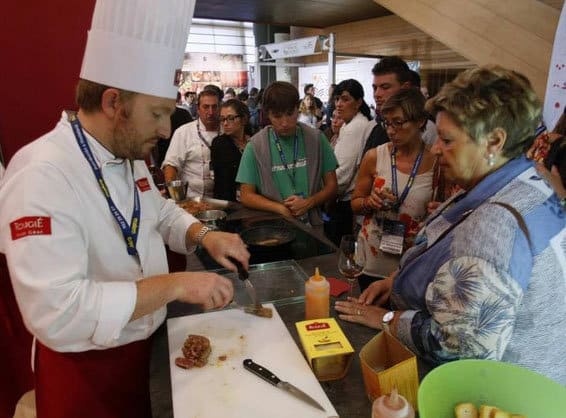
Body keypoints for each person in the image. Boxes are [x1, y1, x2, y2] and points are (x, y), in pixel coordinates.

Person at [0, 1, 250, 417]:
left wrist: (204, 234)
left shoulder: (129, 155)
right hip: (87, 376)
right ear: (114, 103)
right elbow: (59, 311)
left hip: (144, 355)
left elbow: (159, 211)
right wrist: (175, 285)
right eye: (157, 113)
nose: (166, 129)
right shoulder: (40, 174)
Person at [336, 65, 566, 385]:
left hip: (505, 389)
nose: (435, 148)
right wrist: (398, 279)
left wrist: (388, 318)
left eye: (446, 139)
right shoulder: (534, 179)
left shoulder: (495, 225)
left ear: (494, 142)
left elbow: (458, 345)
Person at [351, 88, 436, 291]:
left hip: (410, 264)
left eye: (398, 123)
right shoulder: (374, 156)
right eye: (387, 123)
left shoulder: (437, 163)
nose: (390, 131)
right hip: (370, 259)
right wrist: (368, 202)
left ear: (420, 121)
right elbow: (355, 203)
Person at [236, 81, 338, 226]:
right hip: (271, 227)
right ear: (267, 115)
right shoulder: (255, 146)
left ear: (298, 108)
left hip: (311, 225)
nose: (285, 122)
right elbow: (246, 195)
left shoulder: (316, 139)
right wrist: (279, 208)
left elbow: (332, 186)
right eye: (277, 116)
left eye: (290, 114)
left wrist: (310, 202)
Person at [324, 79, 372, 245]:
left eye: (345, 99)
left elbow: (342, 174)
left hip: (345, 201)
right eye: (337, 99)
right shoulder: (350, 124)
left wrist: (325, 198)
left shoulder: (356, 127)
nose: (338, 104)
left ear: (358, 102)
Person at [162, 89, 220, 199]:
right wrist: (177, 198)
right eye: (206, 107)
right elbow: (171, 165)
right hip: (191, 198)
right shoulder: (184, 132)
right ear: (198, 109)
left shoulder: (226, 131)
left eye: (214, 107)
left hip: (221, 198)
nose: (211, 112)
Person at [210, 99, 250, 201]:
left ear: (244, 119)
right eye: (222, 119)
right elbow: (224, 181)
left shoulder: (254, 141)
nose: (225, 123)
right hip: (229, 201)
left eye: (230, 118)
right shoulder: (219, 143)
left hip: (252, 198)